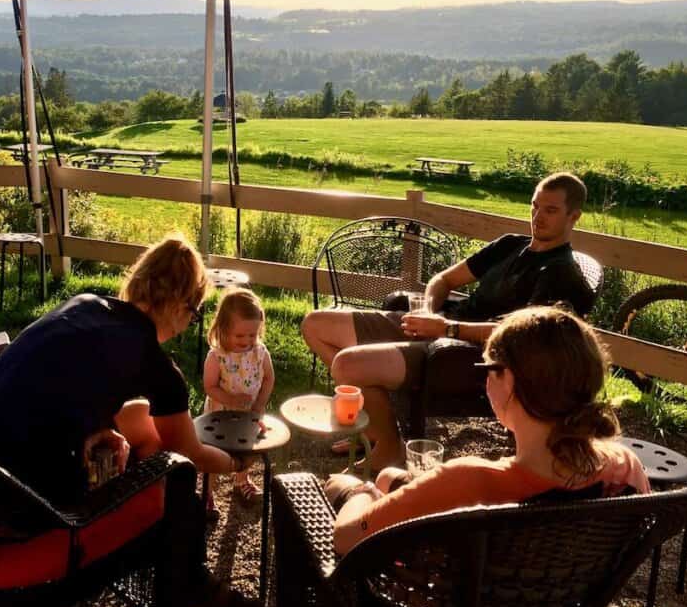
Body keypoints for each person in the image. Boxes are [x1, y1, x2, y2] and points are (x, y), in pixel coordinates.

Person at [0, 233, 260, 607]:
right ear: (178, 307)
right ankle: (190, 585)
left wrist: (94, 425)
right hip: (11, 505)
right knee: (178, 476)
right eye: (194, 312)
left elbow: (57, 380)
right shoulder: (156, 367)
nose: (189, 323)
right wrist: (239, 463)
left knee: (134, 440)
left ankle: (183, 580)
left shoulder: (83, 304)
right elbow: (191, 453)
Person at [301, 171, 595, 470]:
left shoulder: (560, 273)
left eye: (550, 210)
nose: (537, 216)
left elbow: (523, 337)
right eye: (534, 206)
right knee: (316, 325)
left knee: (347, 365)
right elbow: (444, 279)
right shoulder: (510, 245)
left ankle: (389, 448)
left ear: (574, 216)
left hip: (466, 354)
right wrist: (428, 310)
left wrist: (448, 328)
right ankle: (378, 428)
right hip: (438, 325)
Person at [323, 306, 650, 556]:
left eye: (487, 369)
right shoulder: (623, 466)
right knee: (388, 477)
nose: (484, 380)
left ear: (508, 379)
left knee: (354, 485)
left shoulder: (468, 481)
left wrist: (356, 492)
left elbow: (345, 539)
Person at [203, 288, 275, 503]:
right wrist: (231, 399)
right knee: (215, 454)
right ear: (223, 329)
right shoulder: (218, 356)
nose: (247, 340)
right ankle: (208, 491)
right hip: (220, 415)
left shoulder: (259, 352)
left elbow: (269, 378)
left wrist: (260, 404)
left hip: (249, 414)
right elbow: (210, 386)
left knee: (248, 450)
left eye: (252, 335)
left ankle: (242, 480)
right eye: (240, 335)